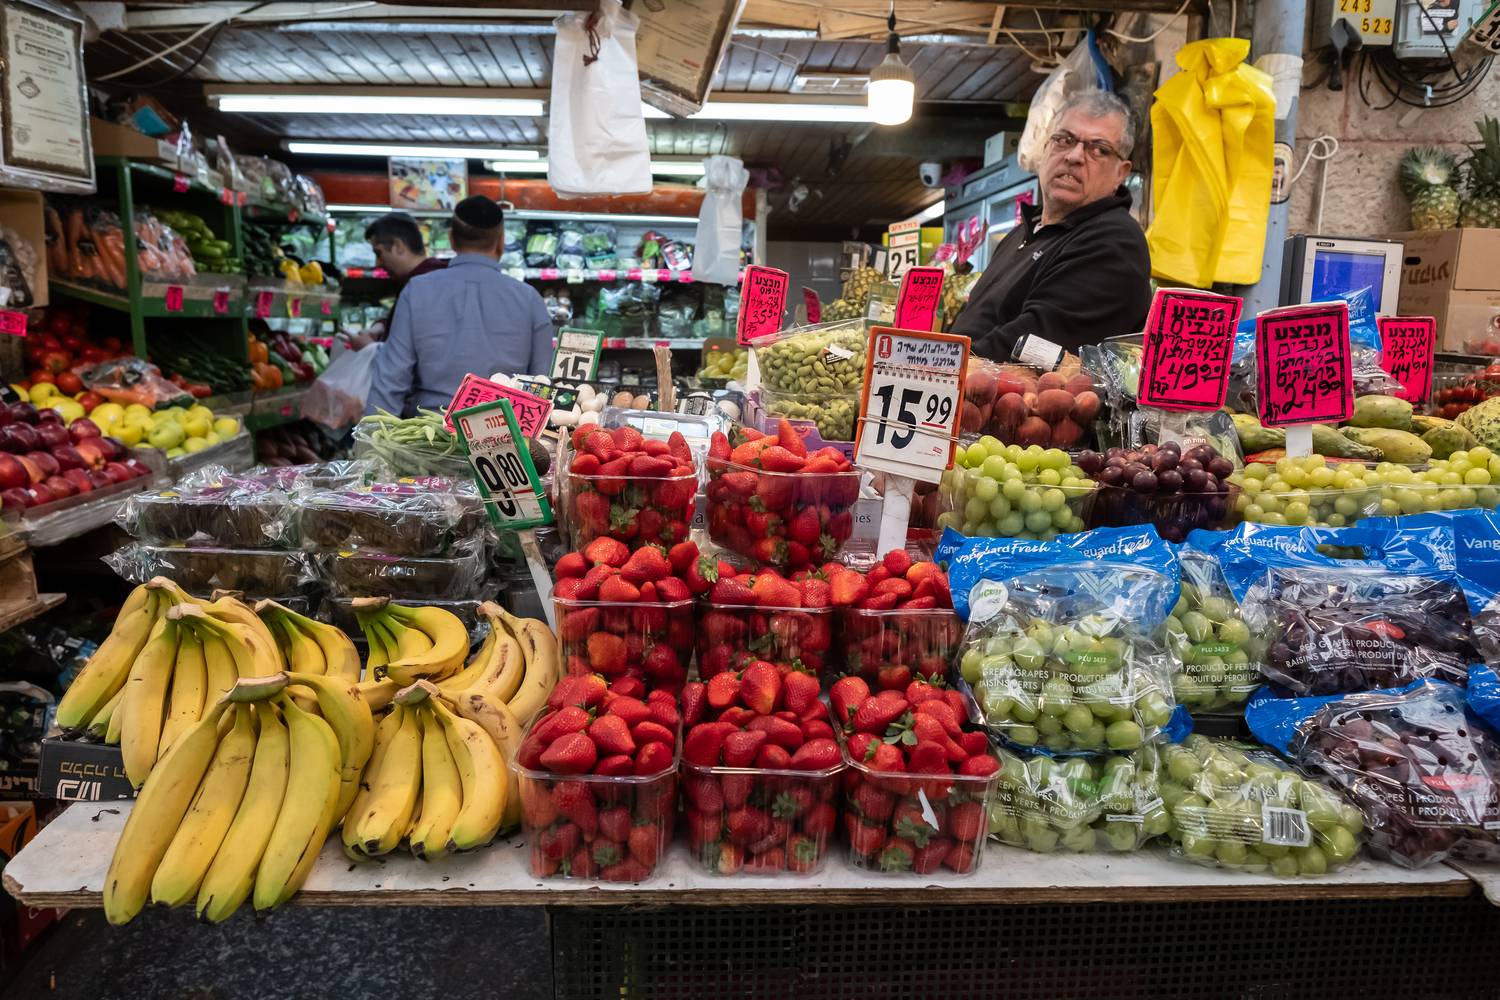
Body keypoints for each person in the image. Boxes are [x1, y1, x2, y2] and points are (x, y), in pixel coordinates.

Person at [950, 90, 1152, 362]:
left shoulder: (1114, 241)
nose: (1075, 156)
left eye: (1099, 149)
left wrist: (940, 366)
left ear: (1121, 173)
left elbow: (1032, 341)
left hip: (1009, 399)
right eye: (1065, 140)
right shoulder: (1023, 233)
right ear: (1045, 149)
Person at [365, 196, 554, 416]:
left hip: (431, 437)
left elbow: (390, 380)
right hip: (506, 436)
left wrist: (371, 444)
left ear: (452, 239)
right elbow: (542, 385)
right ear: (500, 242)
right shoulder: (529, 299)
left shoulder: (416, 291)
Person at [348, 213, 447, 348]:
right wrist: (381, 326)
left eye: (379, 253)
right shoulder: (423, 279)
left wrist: (370, 348)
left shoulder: (424, 285)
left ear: (398, 246)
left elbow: (414, 352)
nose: (377, 263)